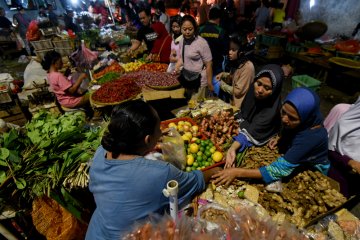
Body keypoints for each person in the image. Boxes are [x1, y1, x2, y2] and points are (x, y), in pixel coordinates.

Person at [85, 100, 220, 239]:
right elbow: (196, 180)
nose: (161, 132)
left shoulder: (101, 152)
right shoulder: (160, 173)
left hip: (96, 233)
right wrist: (215, 170)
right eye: (159, 129)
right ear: (148, 139)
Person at [214, 87, 330, 187]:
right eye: (283, 112)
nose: (284, 119)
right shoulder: (302, 121)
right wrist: (280, 137)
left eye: (292, 118)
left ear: (306, 117)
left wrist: (236, 172)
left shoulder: (310, 138)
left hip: (312, 170)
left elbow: (278, 170)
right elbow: (290, 129)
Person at [224, 64, 284, 169]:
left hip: (262, 133)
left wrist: (233, 148)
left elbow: (253, 130)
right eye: (258, 83)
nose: (260, 90)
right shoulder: (252, 92)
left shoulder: (271, 110)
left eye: (267, 88)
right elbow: (243, 113)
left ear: (274, 91)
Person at [174, 15, 213, 100]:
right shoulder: (182, 41)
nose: (187, 32)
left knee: (196, 109)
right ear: (180, 28)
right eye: (184, 29)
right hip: (187, 80)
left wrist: (209, 84)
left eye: (190, 29)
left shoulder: (201, 43)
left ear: (195, 28)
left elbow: (209, 64)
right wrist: (177, 66)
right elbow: (182, 58)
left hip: (200, 82)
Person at [328, 97, 360, 197]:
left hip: (355, 185)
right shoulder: (346, 122)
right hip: (335, 177)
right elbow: (330, 149)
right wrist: (349, 162)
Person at [214, 33, 255, 108]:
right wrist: (223, 74)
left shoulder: (248, 67)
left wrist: (221, 84)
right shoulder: (237, 63)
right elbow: (233, 77)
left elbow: (237, 91)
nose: (229, 52)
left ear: (241, 52)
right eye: (229, 49)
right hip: (232, 103)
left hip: (240, 107)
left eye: (233, 50)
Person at [199, 6, 227, 76]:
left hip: (202, 65)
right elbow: (225, 50)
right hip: (216, 66)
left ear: (209, 17)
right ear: (218, 18)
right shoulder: (221, 31)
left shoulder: (200, 29)